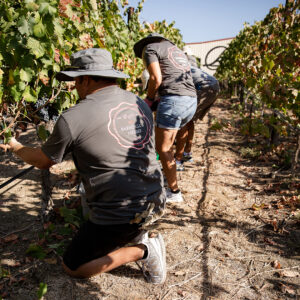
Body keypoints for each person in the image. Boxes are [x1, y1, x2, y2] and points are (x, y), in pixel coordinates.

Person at [3, 48, 167, 284]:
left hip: (121, 211)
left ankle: (144, 250)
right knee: (89, 200)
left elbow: (42, 161)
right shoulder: (138, 102)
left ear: (86, 79)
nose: (74, 87)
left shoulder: (73, 117)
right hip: (156, 196)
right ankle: (134, 229)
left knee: (74, 266)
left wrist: (15, 146)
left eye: (76, 80)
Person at [134, 33, 197, 203]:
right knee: (167, 144)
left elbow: (156, 78)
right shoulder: (176, 50)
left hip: (173, 100)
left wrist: (149, 99)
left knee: (163, 149)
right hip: (190, 101)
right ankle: (163, 174)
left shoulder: (151, 48)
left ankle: (174, 193)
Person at [174, 46, 220, 166]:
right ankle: (187, 153)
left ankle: (178, 159)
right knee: (189, 120)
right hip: (214, 86)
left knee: (183, 120)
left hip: (204, 87)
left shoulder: (178, 65)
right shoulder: (192, 63)